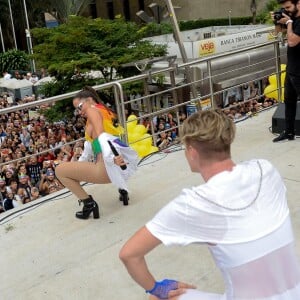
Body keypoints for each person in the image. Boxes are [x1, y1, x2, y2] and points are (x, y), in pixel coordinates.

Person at [119, 109, 300, 299]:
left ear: (191, 151)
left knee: (158, 298)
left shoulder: (194, 204)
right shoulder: (265, 169)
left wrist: (157, 288)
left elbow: (129, 254)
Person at [55, 86, 138, 219]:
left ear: (89, 100)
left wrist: (111, 159)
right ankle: (122, 190)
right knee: (72, 169)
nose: (79, 112)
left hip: (106, 168)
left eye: (80, 107)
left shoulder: (93, 111)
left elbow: (102, 137)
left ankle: (89, 204)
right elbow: (108, 139)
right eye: (77, 109)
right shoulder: (105, 111)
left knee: (59, 171)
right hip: (118, 168)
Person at [272, 0, 300, 142]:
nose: (287, 9)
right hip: (292, 68)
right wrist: (277, 22)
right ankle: (289, 132)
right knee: (289, 100)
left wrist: (289, 23)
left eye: (288, 7)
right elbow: (277, 33)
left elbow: (292, 41)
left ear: (298, 3)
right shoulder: (293, 18)